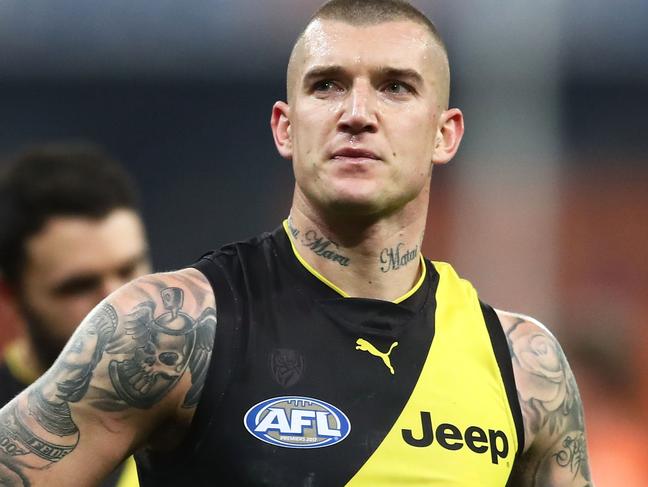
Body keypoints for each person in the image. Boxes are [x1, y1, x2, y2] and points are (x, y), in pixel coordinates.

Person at [0, 1, 593, 485]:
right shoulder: (170, 330)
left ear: (445, 133)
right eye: (328, 85)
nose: (358, 114)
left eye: (395, 88)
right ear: (286, 125)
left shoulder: (523, 369)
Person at [0, 143, 150, 487]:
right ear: (13, 295)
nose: (116, 302)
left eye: (129, 269)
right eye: (78, 286)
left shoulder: (218, 404)